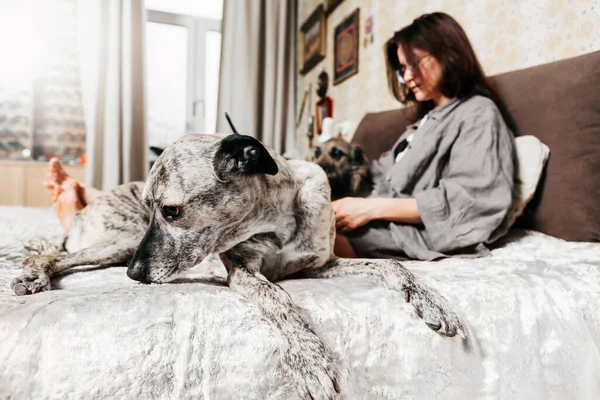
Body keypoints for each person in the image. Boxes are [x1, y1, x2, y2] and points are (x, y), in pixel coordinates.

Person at [332, 12, 515, 260]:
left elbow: (473, 199)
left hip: (414, 234)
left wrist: (370, 208)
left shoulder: (478, 112)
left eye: (415, 63)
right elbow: (380, 173)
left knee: (307, 238)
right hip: (381, 216)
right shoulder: (423, 123)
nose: (407, 77)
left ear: (448, 53)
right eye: (403, 69)